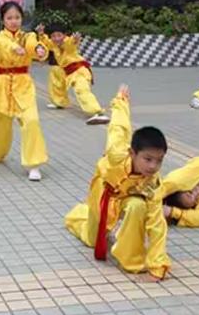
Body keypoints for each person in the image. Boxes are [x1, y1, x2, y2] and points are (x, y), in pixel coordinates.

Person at [65, 85, 170, 281]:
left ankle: (132, 261)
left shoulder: (153, 183)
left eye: (159, 160)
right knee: (91, 238)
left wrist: (157, 265)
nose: (153, 166)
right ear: (132, 153)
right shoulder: (117, 153)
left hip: (126, 200)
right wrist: (121, 101)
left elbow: (157, 224)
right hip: (103, 193)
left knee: (138, 206)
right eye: (148, 159)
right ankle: (77, 216)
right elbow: (119, 126)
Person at [0, 2, 49, 181]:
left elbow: (33, 45)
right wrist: (14, 48)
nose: (13, 21)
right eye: (9, 18)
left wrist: (38, 49)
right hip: (0, 84)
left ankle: (33, 164)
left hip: (23, 84)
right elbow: (1, 45)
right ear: (3, 19)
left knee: (31, 120)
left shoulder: (28, 36)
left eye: (17, 17)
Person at [37, 23, 109, 125]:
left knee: (81, 90)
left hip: (78, 70)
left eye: (59, 35)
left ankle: (97, 113)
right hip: (65, 70)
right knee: (55, 73)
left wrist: (75, 40)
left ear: (64, 35)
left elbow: (71, 44)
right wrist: (41, 33)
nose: (56, 38)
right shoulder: (53, 44)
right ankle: (60, 102)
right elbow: (46, 42)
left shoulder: (67, 41)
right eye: (53, 36)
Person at [163, 156, 199, 228]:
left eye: (190, 192)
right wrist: (172, 212)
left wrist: (156, 197)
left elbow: (175, 181)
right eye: (195, 199)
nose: (197, 193)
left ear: (185, 187)